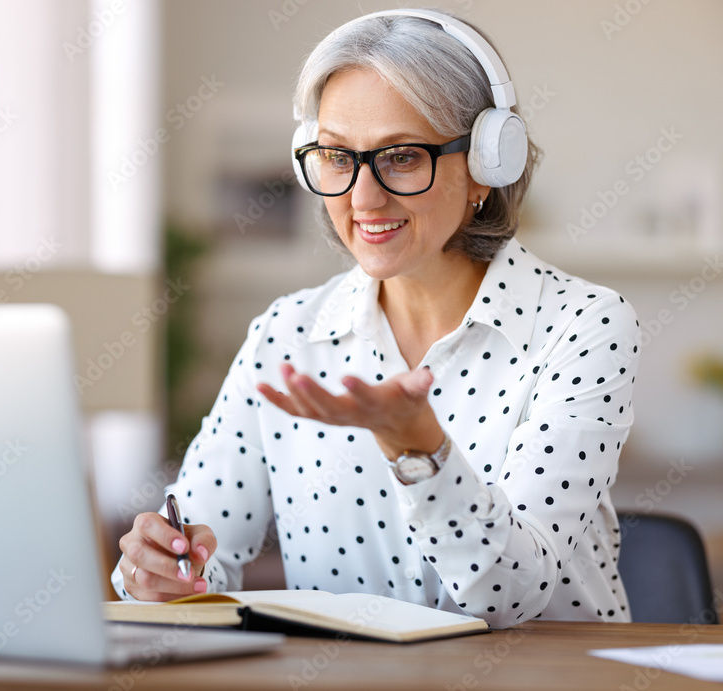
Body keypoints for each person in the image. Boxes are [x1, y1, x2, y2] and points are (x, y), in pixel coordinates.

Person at [112, 9, 640, 629]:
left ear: (487, 165)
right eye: (336, 157)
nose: (363, 198)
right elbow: (202, 560)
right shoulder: (287, 334)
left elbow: (508, 597)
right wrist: (162, 573)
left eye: (402, 157)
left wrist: (422, 452)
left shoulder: (583, 327)